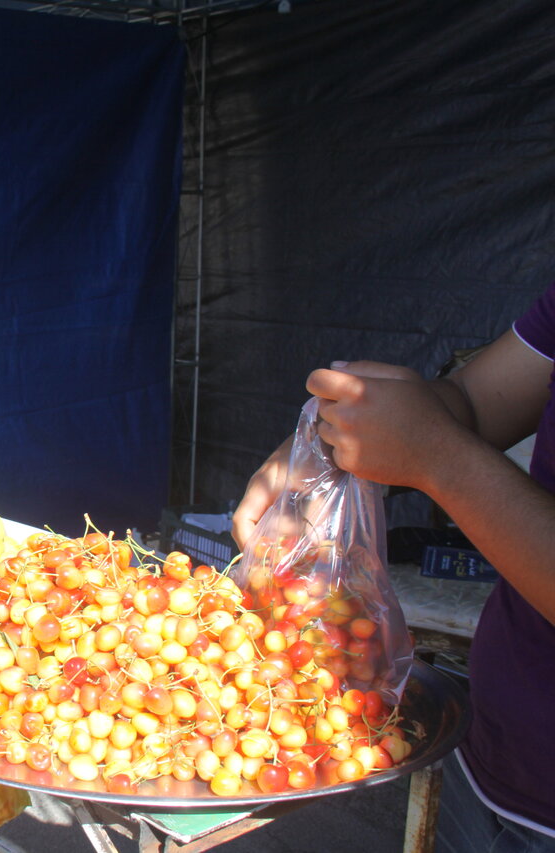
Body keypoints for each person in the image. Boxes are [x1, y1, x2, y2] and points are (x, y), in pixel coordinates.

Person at [231, 282, 555, 851]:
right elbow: (475, 402)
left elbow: (446, 442)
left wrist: (438, 456)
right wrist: (337, 438)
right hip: (490, 753)